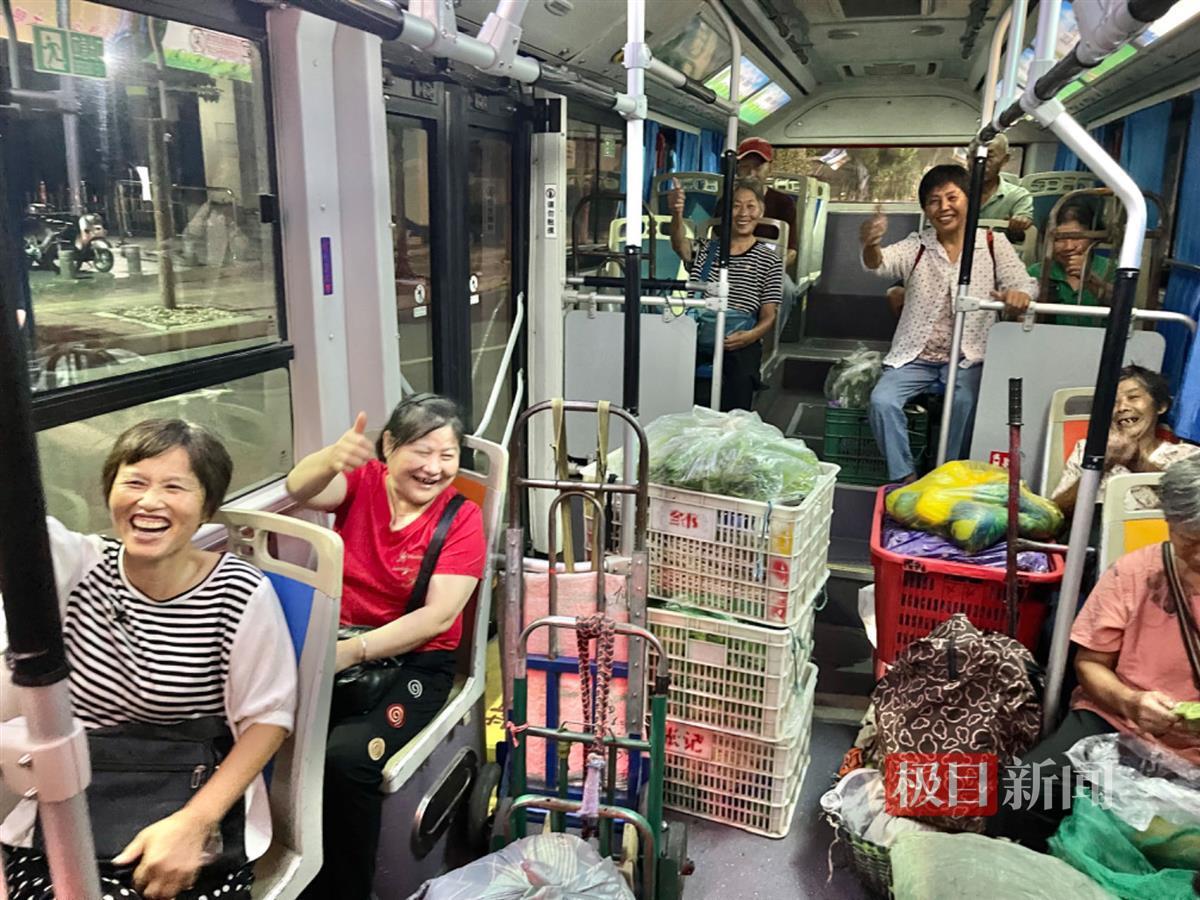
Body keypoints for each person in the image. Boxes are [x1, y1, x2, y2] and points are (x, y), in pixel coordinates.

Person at [0, 420, 297, 900]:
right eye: (134, 482)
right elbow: (13, 517)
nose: (149, 502)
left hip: (187, 795)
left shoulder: (238, 592)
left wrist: (194, 822)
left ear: (206, 506)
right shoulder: (78, 566)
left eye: (174, 487)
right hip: (78, 798)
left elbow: (268, 721)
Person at [286, 395, 485, 900]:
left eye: (447, 455)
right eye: (422, 451)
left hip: (417, 664)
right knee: (272, 731)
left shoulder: (462, 518)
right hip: (341, 648)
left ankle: (345, 892)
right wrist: (328, 459)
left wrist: (351, 653)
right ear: (389, 446)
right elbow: (300, 488)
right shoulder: (364, 482)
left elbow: (438, 617)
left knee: (346, 760)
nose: (434, 468)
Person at [990, 455, 1200, 851]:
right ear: (1170, 524)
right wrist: (1132, 702)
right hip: (1117, 720)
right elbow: (1090, 664)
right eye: (1191, 542)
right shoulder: (1134, 573)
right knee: (1025, 791)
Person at [861, 164, 1035, 482]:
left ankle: (947, 475)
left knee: (965, 402)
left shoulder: (993, 244)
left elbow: (1023, 284)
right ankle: (904, 476)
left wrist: (1018, 295)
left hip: (969, 356)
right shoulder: (917, 245)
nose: (944, 207)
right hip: (916, 356)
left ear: (969, 200)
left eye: (952, 197)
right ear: (926, 210)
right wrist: (871, 245)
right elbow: (880, 264)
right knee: (882, 401)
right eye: (934, 201)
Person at [669, 178, 783, 411]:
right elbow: (679, 245)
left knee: (740, 380)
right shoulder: (705, 249)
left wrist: (750, 336)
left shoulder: (769, 260)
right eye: (736, 206)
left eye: (750, 206)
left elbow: (769, 315)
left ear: (760, 211)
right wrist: (677, 213)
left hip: (738, 337)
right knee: (666, 369)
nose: (743, 213)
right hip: (696, 332)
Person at [1051, 364, 1200, 515]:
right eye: (1113, 402)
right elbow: (1056, 511)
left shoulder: (1186, 456)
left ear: (1161, 406)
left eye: (1133, 397)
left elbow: (1193, 506)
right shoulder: (1087, 450)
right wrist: (1099, 467)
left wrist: (1138, 462)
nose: (1121, 408)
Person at [1027, 198, 1114, 327]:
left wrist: (1091, 279)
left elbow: (1123, 307)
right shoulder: (1036, 272)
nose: (1068, 246)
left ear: (1093, 237)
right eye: (1059, 239)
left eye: (1076, 237)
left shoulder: (1111, 268)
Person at [976, 134, 1034, 241]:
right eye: (974, 157)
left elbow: (1023, 238)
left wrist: (1019, 223)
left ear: (1005, 159)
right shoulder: (954, 193)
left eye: (989, 157)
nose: (981, 163)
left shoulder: (1018, 196)